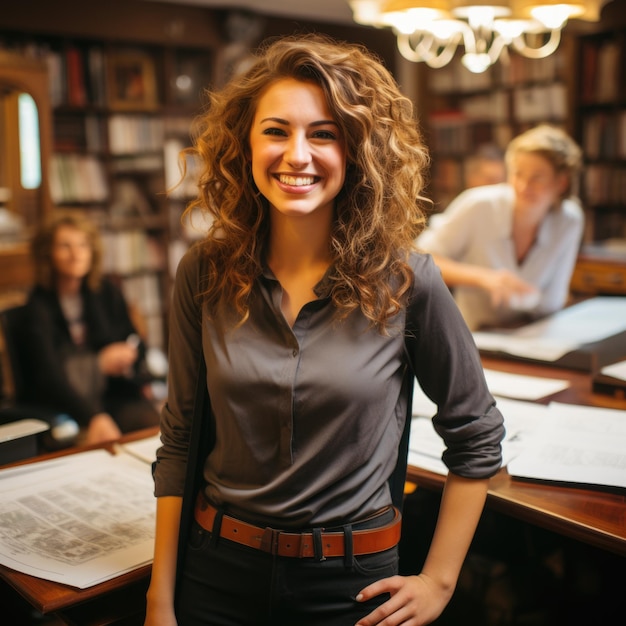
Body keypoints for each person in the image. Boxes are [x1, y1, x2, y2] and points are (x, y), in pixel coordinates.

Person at [146, 33, 505, 626]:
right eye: (276, 130)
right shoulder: (203, 271)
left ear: (357, 149)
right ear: (245, 143)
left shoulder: (408, 281)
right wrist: (161, 598)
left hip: (354, 590)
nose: (297, 154)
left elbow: (476, 438)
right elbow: (179, 440)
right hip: (215, 574)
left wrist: (439, 581)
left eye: (323, 133)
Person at [417, 124, 584, 331]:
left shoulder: (569, 219)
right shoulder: (479, 205)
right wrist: (484, 278)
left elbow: (553, 299)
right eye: (518, 174)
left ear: (561, 182)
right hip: (476, 334)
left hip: (534, 334)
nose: (524, 186)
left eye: (537, 178)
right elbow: (418, 260)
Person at [23, 209, 160, 444]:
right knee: (103, 441)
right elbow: (49, 377)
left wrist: (131, 361)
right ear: (48, 253)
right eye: (65, 246)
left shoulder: (105, 291)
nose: (76, 254)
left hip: (113, 394)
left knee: (155, 428)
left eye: (83, 245)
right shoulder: (37, 306)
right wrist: (98, 369)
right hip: (67, 404)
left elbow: (136, 343)